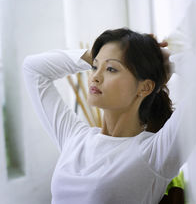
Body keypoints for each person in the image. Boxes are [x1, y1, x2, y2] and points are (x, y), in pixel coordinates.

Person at [22, 28, 185, 204]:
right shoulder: (75, 138)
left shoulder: (155, 153)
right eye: (94, 66)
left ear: (144, 87)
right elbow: (33, 69)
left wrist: (169, 59)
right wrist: (97, 54)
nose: (95, 77)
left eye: (111, 69)